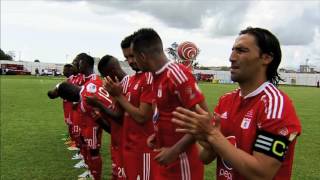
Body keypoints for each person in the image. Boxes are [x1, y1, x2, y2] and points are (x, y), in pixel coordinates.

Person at [172, 27, 302, 180]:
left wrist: (213, 134)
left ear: (266, 58)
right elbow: (205, 158)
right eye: (232, 50)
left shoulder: (276, 106)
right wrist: (206, 140)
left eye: (241, 51)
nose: (231, 57)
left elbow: (261, 173)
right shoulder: (225, 101)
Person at [131, 28, 208, 180]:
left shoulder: (177, 74)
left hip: (183, 163)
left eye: (133, 56)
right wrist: (157, 134)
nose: (132, 61)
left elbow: (205, 120)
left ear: (143, 56)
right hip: (165, 158)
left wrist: (175, 150)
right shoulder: (154, 76)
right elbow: (167, 113)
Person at [104, 34, 154, 180]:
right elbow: (120, 115)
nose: (131, 61)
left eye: (133, 56)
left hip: (144, 150)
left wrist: (119, 96)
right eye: (127, 58)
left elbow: (142, 117)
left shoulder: (150, 78)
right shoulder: (129, 80)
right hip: (128, 148)